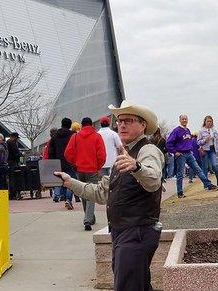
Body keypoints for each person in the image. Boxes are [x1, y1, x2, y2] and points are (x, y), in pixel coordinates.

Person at [55, 100, 164, 291]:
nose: (121, 125)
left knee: (128, 286)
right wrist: (70, 182)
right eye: (120, 121)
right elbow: (101, 193)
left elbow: (153, 180)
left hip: (136, 231)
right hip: (124, 232)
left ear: (143, 125)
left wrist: (137, 167)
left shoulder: (147, 150)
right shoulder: (124, 155)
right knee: (138, 285)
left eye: (128, 120)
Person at [64, 117, 106, 228]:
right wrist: (98, 166)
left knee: (83, 192)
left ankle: (89, 217)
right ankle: (88, 219)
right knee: (92, 194)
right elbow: (102, 155)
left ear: (82, 125)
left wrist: (74, 163)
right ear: (92, 125)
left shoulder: (75, 136)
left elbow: (68, 153)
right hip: (92, 169)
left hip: (79, 169)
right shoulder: (97, 137)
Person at [166, 115, 218, 198]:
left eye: (185, 119)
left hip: (189, 153)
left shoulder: (187, 130)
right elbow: (169, 143)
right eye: (182, 119)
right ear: (180, 120)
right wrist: (175, 152)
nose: (184, 120)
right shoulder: (176, 131)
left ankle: (208, 184)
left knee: (198, 169)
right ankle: (180, 192)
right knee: (180, 174)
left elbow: (189, 142)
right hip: (181, 154)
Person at [48, 118, 75, 204]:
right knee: (70, 180)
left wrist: (51, 162)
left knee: (61, 180)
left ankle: (62, 196)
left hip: (57, 163)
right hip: (70, 162)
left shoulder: (54, 137)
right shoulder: (73, 135)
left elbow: (50, 151)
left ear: (61, 124)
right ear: (70, 125)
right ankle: (68, 199)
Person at [198, 116, 218, 187]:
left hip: (212, 149)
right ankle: (207, 184)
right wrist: (205, 140)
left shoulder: (214, 130)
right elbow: (198, 142)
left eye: (210, 121)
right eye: (207, 121)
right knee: (205, 168)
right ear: (205, 122)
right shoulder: (201, 131)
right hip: (205, 150)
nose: (209, 123)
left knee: (214, 165)